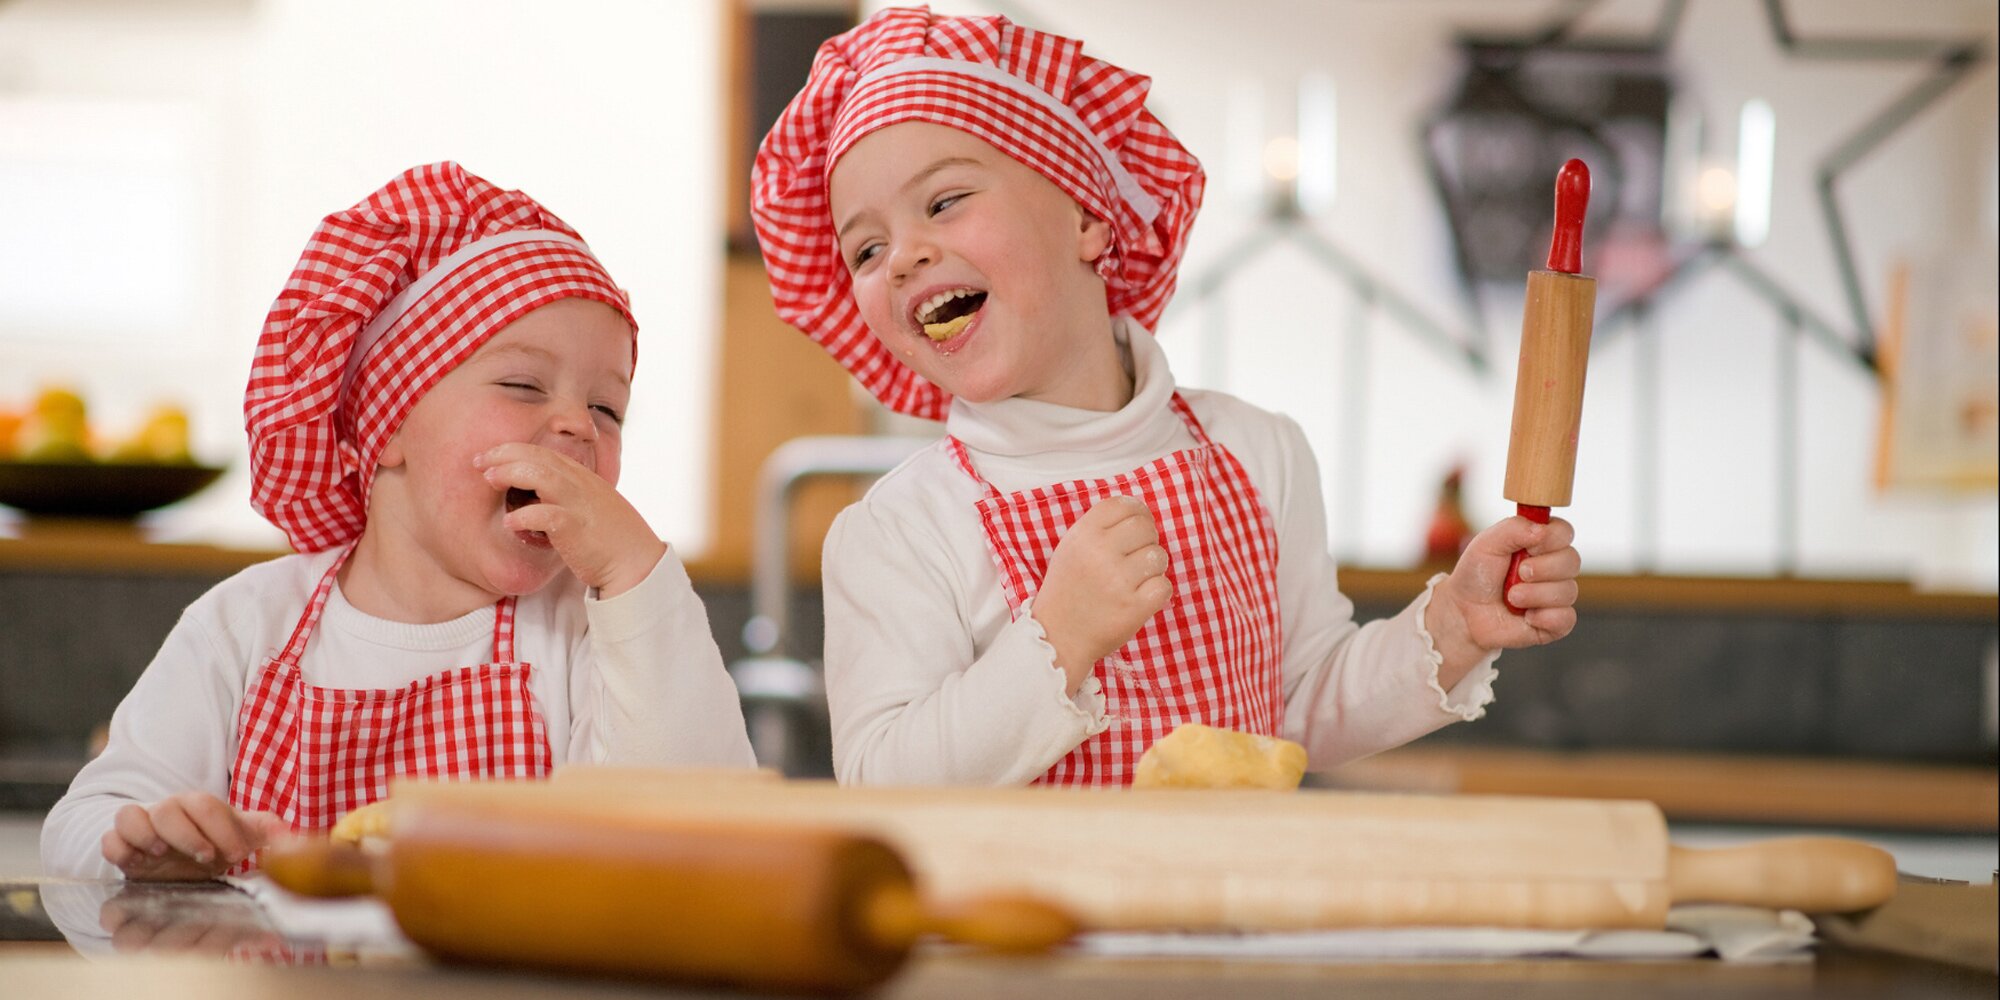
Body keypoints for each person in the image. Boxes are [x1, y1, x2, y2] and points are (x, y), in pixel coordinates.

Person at [751, 7, 1580, 786]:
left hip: (1240, 924)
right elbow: (887, 781)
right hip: (1025, 937)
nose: (901, 257)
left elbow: (1300, 704)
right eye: (863, 250)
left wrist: (1453, 630)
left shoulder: (1259, 453)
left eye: (944, 201)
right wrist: (1056, 639)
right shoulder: (898, 530)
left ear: (1088, 216)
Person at [41, 163, 754, 880]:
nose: (577, 425)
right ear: (386, 428)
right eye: (521, 384)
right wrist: (144, 848)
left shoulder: (583, 638)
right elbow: (80, 827)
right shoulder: (243, 629)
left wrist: (636, 576)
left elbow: (702, 828)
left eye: (608, 409)